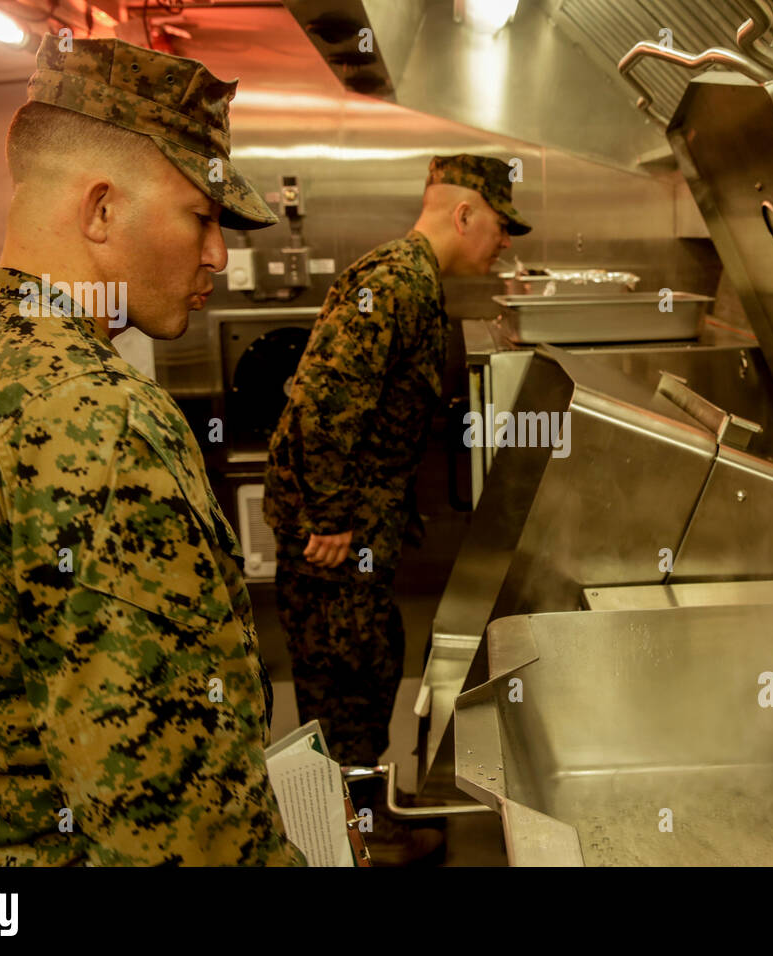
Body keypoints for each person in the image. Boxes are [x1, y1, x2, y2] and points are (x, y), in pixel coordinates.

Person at [0, 35, 302, 866]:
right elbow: (174, 830)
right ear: (101, 209)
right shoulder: (104, 423)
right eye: (202, 217)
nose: (218, 253)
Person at [263, 154, 530, 859]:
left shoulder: (413, 280)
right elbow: (322, 404)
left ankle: (357, 813)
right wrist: (328, 516)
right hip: (338, 534)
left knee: (369, 665)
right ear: (464, 213)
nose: (505, 243)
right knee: (351, 676)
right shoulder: (394, 282)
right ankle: (348, 837)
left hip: (359, 525)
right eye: (501, 226)